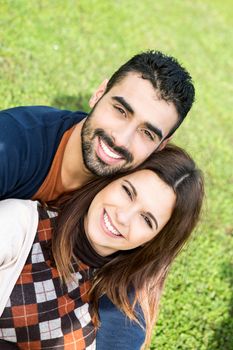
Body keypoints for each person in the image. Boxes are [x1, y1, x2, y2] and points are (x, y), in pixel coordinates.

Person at [0, 145, 204, 350]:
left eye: (146, 219)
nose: (123, 217)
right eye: (127, 191)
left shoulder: (120, 312)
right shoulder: (21, 224)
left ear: (152, 241)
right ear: (109, 180)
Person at [0, 50, 195, 201]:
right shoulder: (13, 144)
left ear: (161, 146)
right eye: (121, 110)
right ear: (99, 94)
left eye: (146, 133)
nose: (121, 139)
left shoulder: (133, 203)